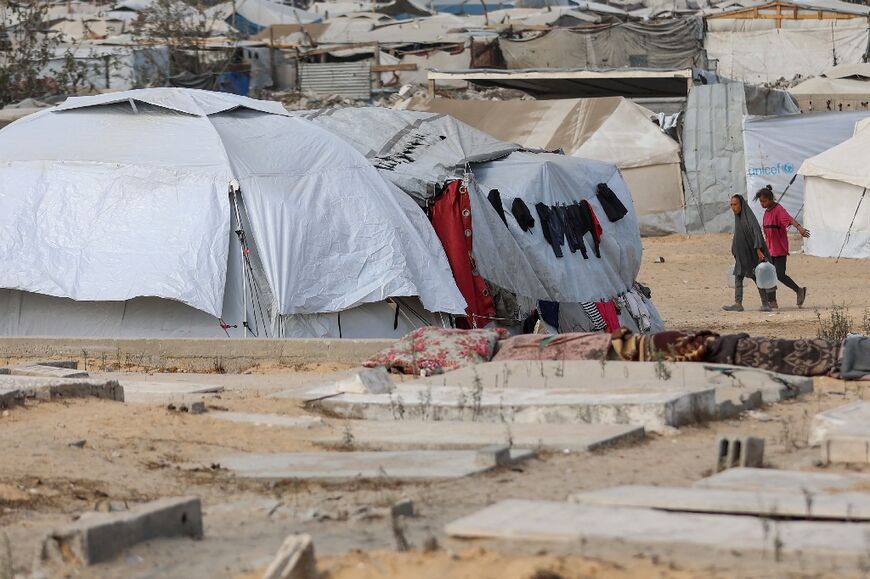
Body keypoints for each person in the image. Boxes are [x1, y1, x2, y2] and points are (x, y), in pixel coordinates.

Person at [754, 185, 810, 308]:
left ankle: (799, 290)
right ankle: (772, 302)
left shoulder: (778, 210)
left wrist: (800, 228)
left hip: (779, 249)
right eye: (760, 202)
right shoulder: (766, 213)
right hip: (769, 250)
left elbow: (789, 219)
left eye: (763, 201)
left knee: (779, 274)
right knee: (768, 275)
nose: (762, 204)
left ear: (770, 199)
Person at [723, 194, 772, 312]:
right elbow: (738, 234)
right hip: (742, 254)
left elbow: (756, 232)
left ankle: (766, 304)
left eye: (735, 204)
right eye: (731, 205)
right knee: (738, 276)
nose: (733, 207)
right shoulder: (738, 217)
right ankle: (738, 303)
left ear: (741, 204)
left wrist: (759, 250)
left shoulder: (748, 216)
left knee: (757, 277)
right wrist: (734, 248)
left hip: (752, 253)